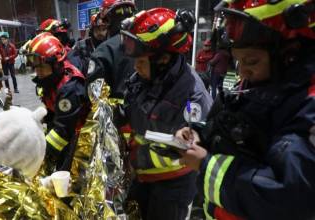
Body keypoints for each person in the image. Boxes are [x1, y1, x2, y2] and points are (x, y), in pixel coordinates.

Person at [175, 1, 315, 219]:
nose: (243, 74)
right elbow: (234, 132)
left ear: (291, 52)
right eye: (238, 62)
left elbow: (289, 197)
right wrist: (198, 135)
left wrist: (206, 165)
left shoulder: (308, 105)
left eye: (250, 61)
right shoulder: (263, 82)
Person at [120, 8, 212, 220]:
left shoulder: (193, 97)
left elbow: (188, 151)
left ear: (162, 60)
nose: (136, 67)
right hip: (142, 176)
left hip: (172, 185)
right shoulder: (146, 78)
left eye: (141, 62)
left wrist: (139, 154)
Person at [27, 33, 89, 174]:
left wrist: (39, 153)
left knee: (65, 175)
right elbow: (55, 111)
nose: (38, 72)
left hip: (77, 139)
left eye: (41, 67)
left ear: (55, 63)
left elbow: (63, 132)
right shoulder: (53, 79)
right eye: (35, 67)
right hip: (65, 129)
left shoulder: (69, 89)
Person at [86, 0, 136, 99]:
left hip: (116, 112)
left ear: (109, 20)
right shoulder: (148, 43)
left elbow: (95, 94)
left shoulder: (104, 50)